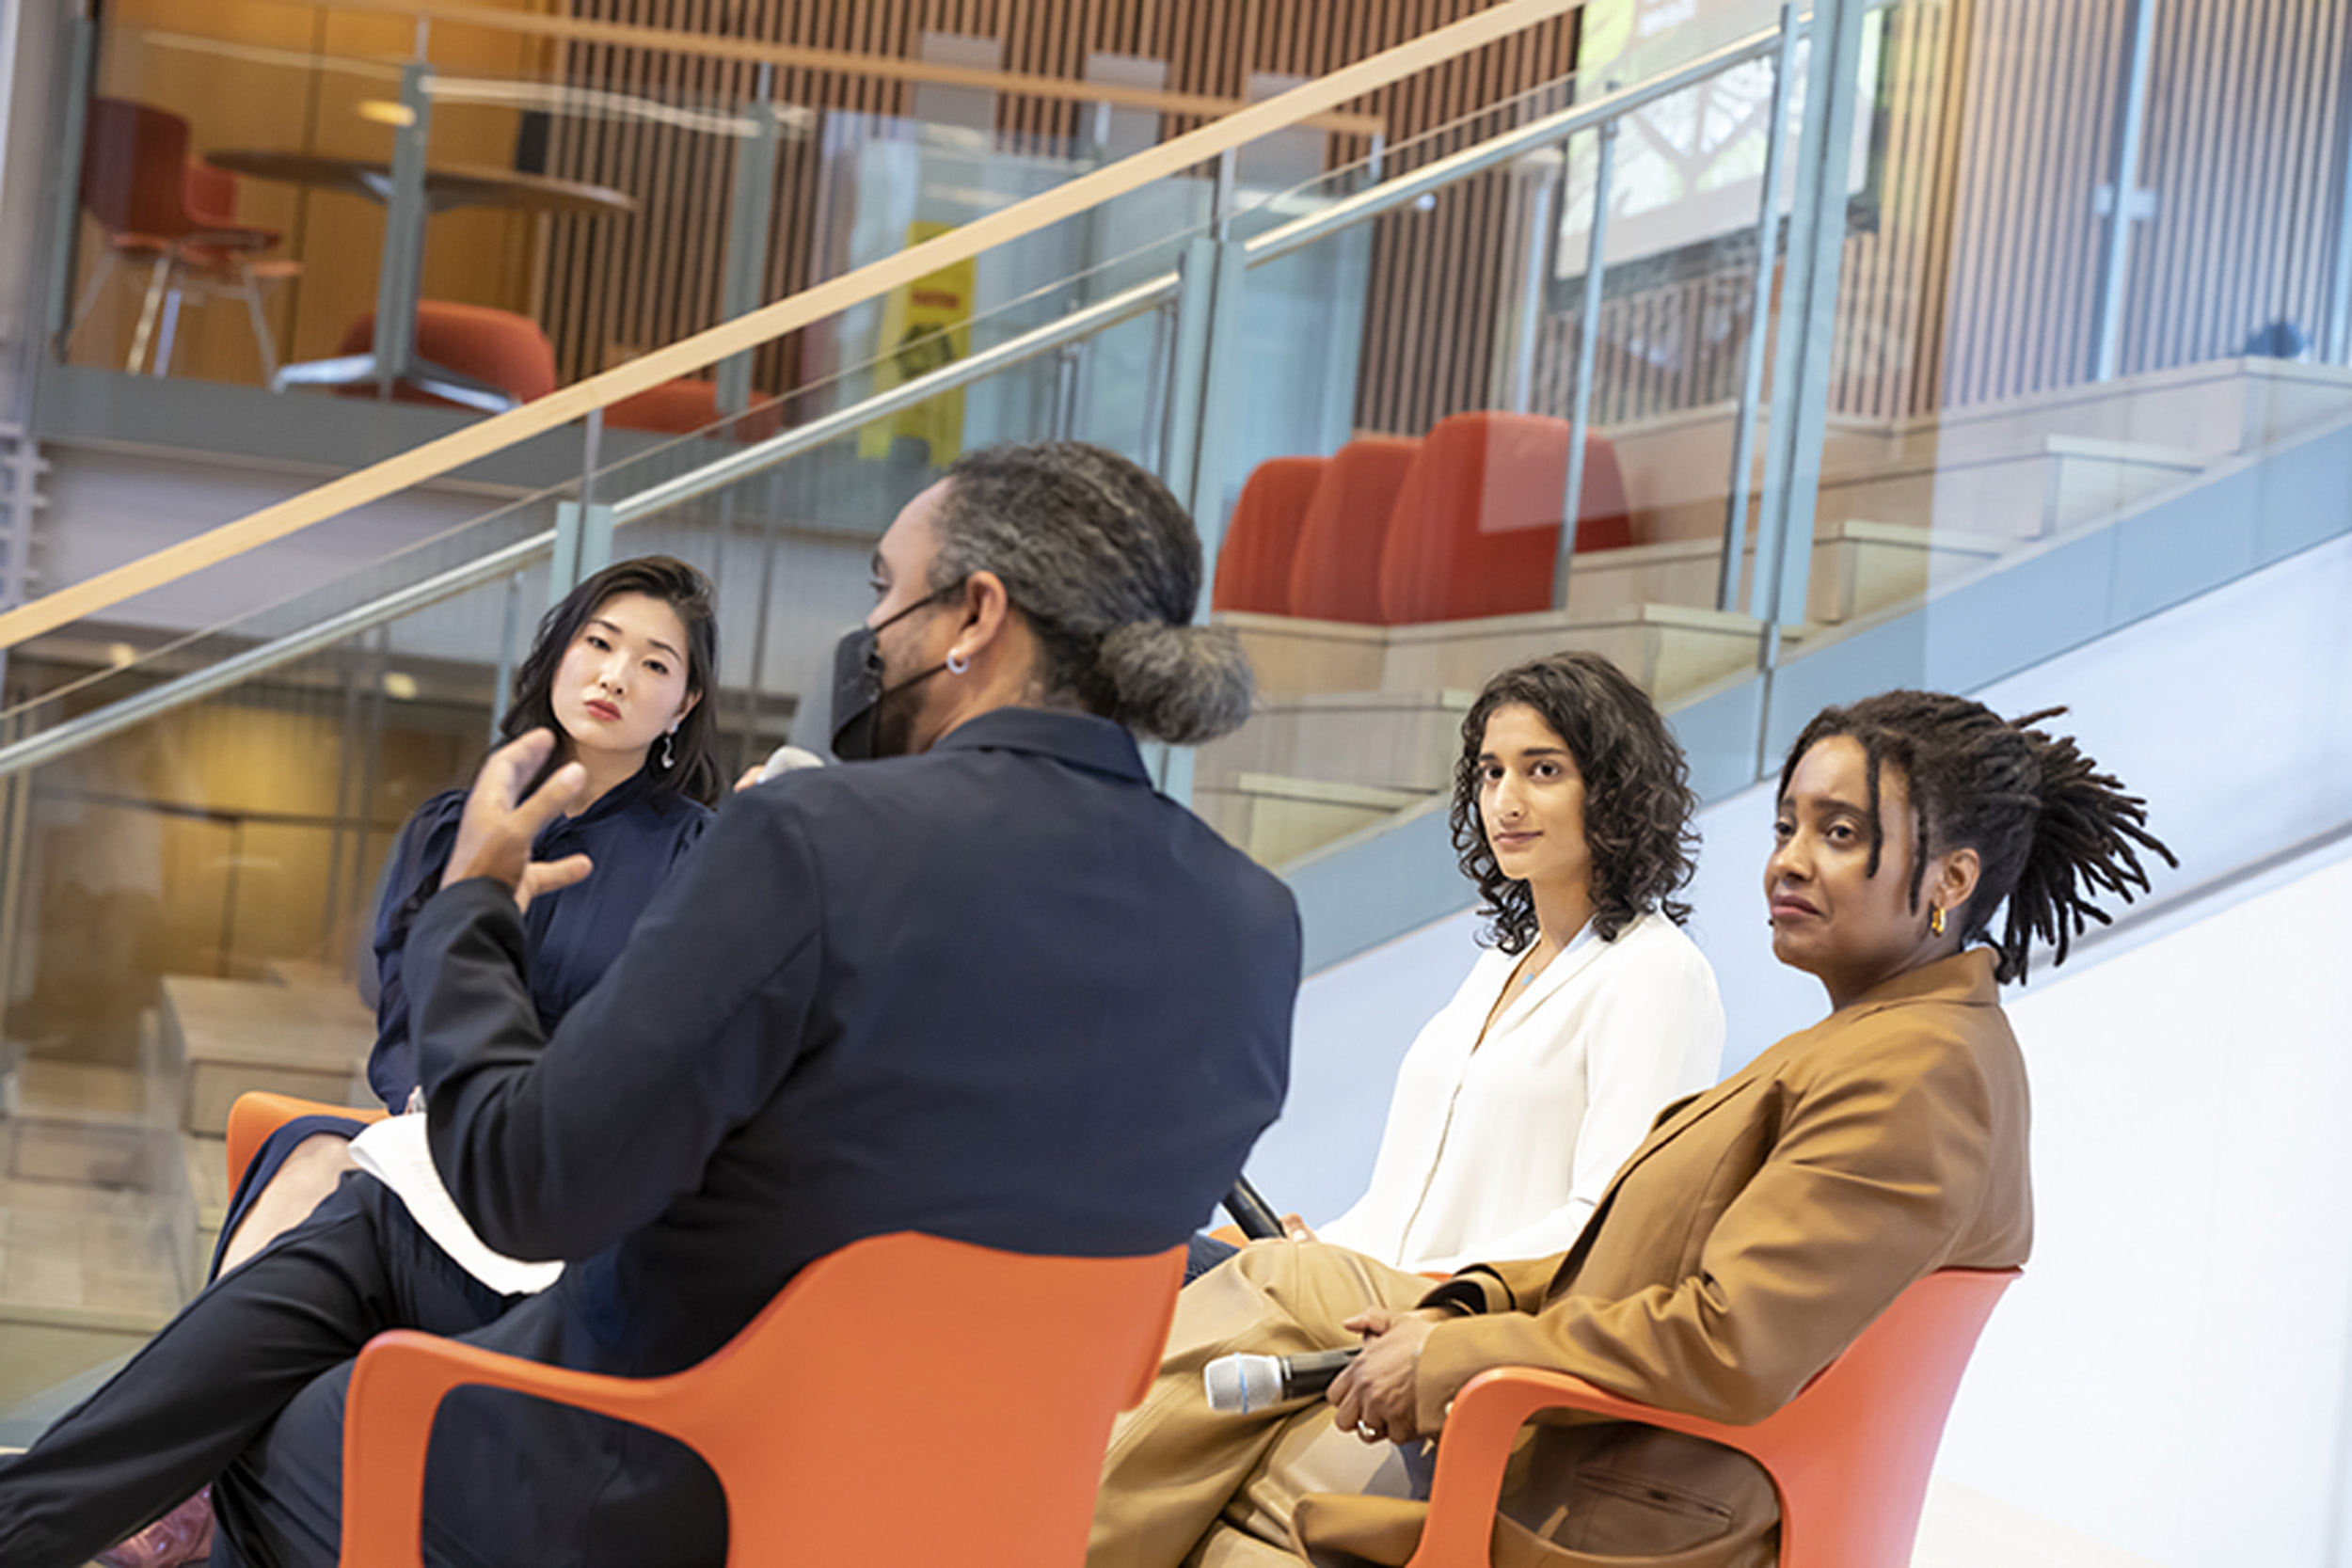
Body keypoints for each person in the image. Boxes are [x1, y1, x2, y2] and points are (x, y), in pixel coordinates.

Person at [0, 440, 1300, 1568]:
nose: (871, 639)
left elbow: (526, 1181)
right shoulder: (1257, 925)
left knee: (278, 1416)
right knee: (373, 1223)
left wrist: (469, 912)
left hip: (644, 1489)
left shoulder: (817, 838)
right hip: (956, 1516)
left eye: (884, 594)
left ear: (976, 615)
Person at [1089, 689, 2174, 1568]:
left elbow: (1727, 1340)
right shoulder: (1876, 1037)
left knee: (1233, 1441)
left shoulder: (1918, 1075)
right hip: (1581, 1381)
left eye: (1838, 835)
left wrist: (1458, 1349)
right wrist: (1465, 1301)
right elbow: (1636, 1253)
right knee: (1275, 1279)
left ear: (1949, 880)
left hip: (1637, 1483)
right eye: (1787, 825)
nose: (1787, 860)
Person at [213, 554, 724, 1279]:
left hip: (573, 1177)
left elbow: (675, 1052)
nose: (615, 675)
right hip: (438, 1129)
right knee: (311, 1161)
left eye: (653, 663)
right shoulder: (453, 829)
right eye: (600, 643)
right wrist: (438, 1101)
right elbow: (403, 1008)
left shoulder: (703, 853)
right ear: (560, 652)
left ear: (685, 702)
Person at [1201, 652, 1722, 1279]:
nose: (1506, 801)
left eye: (1544, 771)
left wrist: (1404, 1287)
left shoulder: (1657, 974)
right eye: (1492, 772)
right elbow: (1401, 1210)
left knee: (1155, 1269)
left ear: (1613, 790)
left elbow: (1607, 1224)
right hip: (1373, 1305)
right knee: (1176, 1251)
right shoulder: (1504, 963)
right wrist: (1318, 1247)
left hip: (1441, 1322)